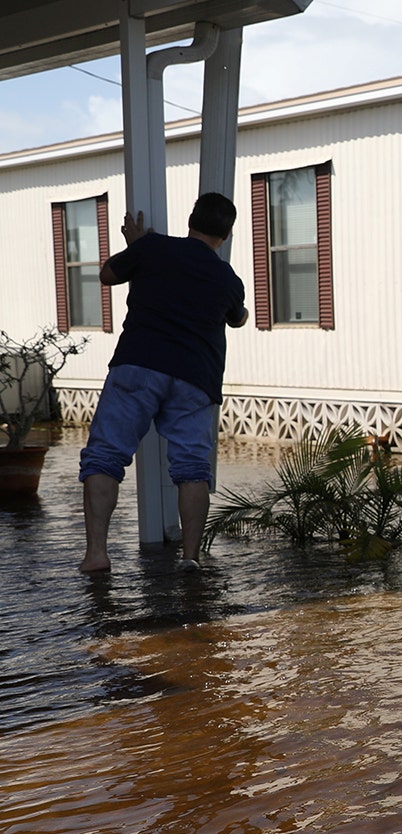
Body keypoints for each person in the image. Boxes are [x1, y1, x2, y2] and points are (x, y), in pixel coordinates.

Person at [77, 193, 248, 573]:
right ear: (227, 233)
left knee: (105, 457)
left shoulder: (152, 247)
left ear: (191, 219)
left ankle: (97, 555)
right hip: (195, 378)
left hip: (139, 364)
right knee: (192, 468)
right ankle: (190, 557)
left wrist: (138, 250)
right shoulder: (227, 278)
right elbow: (237, 318)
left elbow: (107, 276)